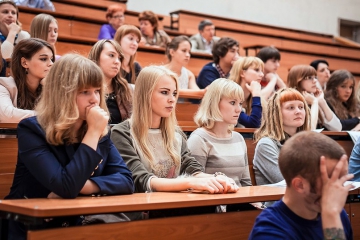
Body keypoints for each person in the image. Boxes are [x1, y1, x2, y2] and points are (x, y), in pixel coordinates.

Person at [5, 54, 134, 240]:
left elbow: (126, 181)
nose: (95, 100)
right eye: (84, 92)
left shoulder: (98, 130)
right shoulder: (32, 130)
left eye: (97, 91)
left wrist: (81, 187)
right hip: (34, 229)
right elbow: (66, 186)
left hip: (78, 225)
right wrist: (92, 134)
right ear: (62, 93)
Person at [110, 66, 238, 196]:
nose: (172, 99)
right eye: (165, 92)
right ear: (145, 93)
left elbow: (192, 168)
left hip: (174, 206)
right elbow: (141, 180)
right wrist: (190, 182)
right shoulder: (121, 133)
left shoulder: (175, 133)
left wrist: (215, 179)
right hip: (142, 210)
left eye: (175, 93)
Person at [249, 131, 353, 239]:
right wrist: (331, 217)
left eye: (342, 179)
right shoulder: (268, 231)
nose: (339, 189)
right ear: (299, 185)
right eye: (331, 180)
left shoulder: (337, 212)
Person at [187, 78, 251, 187]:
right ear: (215, 103)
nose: (239, 109)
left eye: (240, 103)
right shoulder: (199, 139)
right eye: (232, 103)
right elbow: (193, 182)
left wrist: (256, 204)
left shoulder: (238, 138)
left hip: (239, 201)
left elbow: (246, 183)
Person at [253, 88, 311, 186]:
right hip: (278, 200)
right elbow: (288, 182)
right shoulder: (266, 145)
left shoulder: (307, 142)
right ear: (277, 113)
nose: (298, 111)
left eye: (301, 107)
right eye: (291, 108)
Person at [0, 38, 54, 122]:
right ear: (24, 63)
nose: (51, 63)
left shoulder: (48, 87)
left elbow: (65, 114)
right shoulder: (3, 86)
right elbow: (7, 115)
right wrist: (45, 115)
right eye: (43, 59)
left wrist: (50, 87)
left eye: (52, 59)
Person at [88, 39, 132, 124]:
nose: (117, 62)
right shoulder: (82, 88)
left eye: (119, 58)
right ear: (96, 57)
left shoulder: (126, 89)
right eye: (111, 55)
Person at [287, 65, 342, 131]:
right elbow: (310, 130)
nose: (315, 81)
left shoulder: (313, 99)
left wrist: (322, 101)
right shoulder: (290, 102)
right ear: (298, 80)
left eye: (315, 77)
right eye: (309, 77)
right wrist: (314, 102)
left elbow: (337, 128)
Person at [228, 57, 268, 128]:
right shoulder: (228, 95)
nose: (262, 74)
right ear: (242, 73)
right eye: (256, 70)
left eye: (262, 71)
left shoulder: (256, 97)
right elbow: (254, 124)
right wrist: (256, 95)